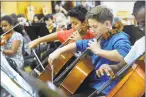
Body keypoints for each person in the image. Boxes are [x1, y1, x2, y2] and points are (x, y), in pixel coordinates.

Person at [48, 5, 131, 97]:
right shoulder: (100, 37)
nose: (92, 30)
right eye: (90, 27)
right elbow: (78, 44)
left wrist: (98, 51)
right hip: (91, 83)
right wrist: (58, 51)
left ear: (107, 24)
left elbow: (123, 55)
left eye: (94, 26)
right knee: (57, 89)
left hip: (106, 88)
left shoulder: (120, 37)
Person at [96, 1, 145, 80]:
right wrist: (108, 67)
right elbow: (120, 66)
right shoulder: (140, 44)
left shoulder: (120, 39)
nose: (143, 28)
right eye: (141, 24)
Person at [28, 5, 95, 49]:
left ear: (85, 23)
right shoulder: (72, 32)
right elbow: (57, 35)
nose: (72, 26)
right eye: (71, 23)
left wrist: (79, 42)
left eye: (75, 23)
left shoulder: (93, 35)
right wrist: (37, 41)